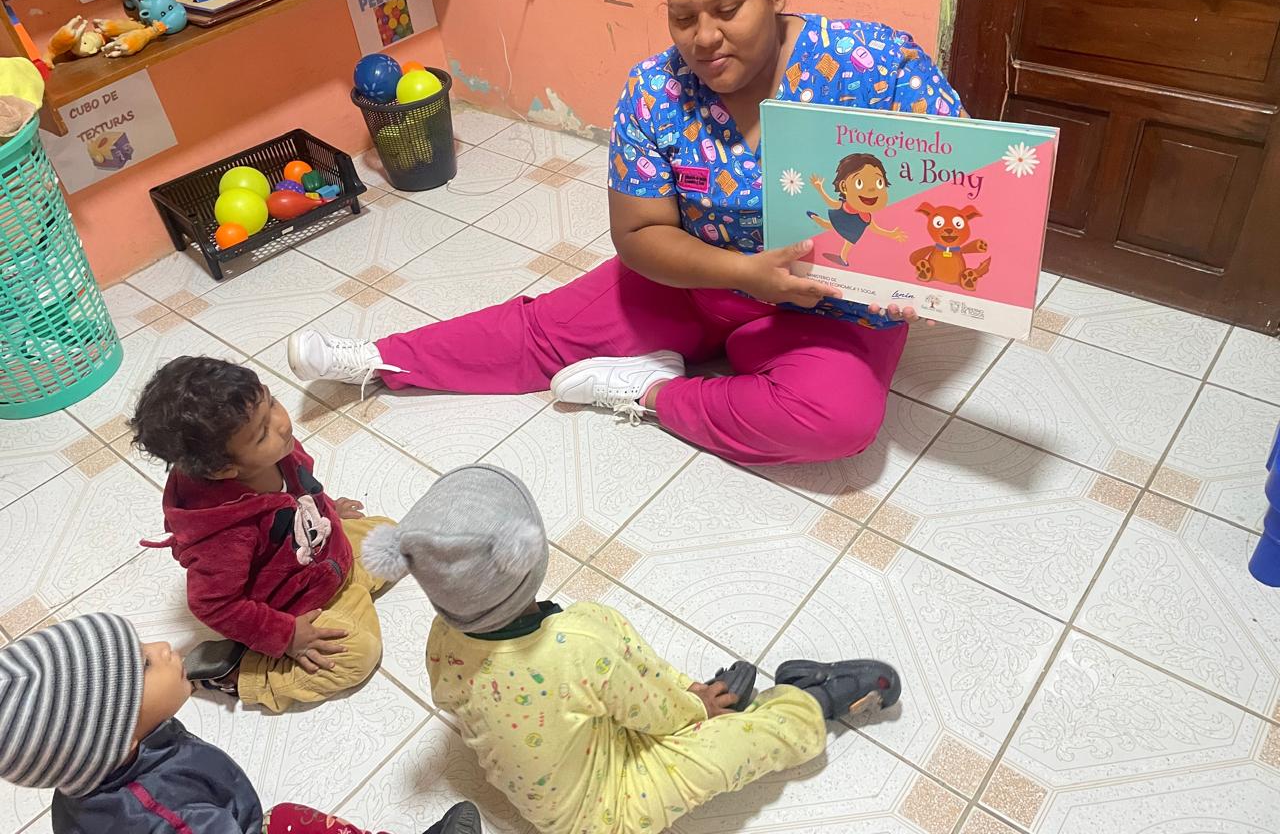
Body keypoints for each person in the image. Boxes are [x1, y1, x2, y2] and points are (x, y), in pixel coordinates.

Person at [286, 0, 966, 467]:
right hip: (703, 279)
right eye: (683, 17)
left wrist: (926, 278)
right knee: (546, 330)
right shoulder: (655, 91)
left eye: (729, 8)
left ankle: (650, 392)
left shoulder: (875, 65)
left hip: (835, 308)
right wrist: (743, 273)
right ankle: (376, 359)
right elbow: (638, 234)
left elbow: (961, 184)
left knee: (838, 421)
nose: (705, 38)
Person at [360, 465, 902, 834]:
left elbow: (456, 700)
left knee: (601, 670)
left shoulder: (442, 638)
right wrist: (696, 710)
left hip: (549, 784)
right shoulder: (580, 641)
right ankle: (806, 705)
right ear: (526, 555)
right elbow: (654, 710)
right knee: (729, 750)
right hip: (604, 813)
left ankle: (710, 700)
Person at [0, 613, 481, 834]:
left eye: (142, 644)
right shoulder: (165, 820)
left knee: (288, 816)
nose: (163, 647)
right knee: (293, 823)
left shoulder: (85, 773)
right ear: (112, 736)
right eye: (144, 664)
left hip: (234, 814)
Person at [129, 356, 396, 713]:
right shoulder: (225, 534)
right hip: (299, 607)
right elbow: (212, 604)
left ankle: (352, 585)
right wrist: (286, 635)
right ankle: (240, 674)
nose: (281, 424)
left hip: (327, 552)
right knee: (359, 656)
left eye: (271, 403)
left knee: (391, 536)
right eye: (261, 433)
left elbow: (302, 489)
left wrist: (328, 508)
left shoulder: (276, 452)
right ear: (225, 469)